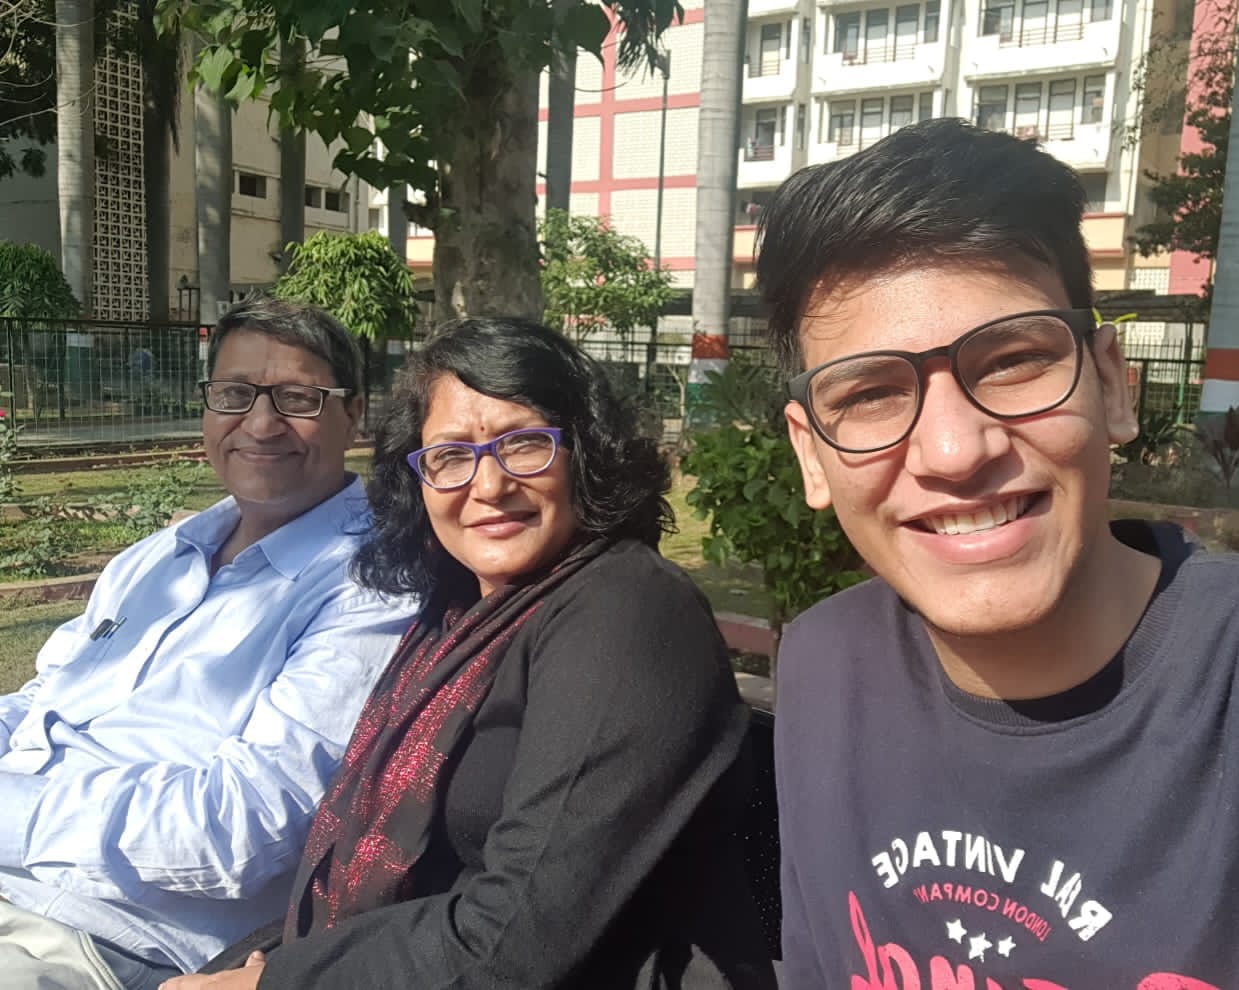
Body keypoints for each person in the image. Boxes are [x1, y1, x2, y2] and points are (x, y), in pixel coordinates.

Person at [757, 117, 1239, 988]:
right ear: (811, 455)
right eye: (872, 393)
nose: (954, 451)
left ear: (1111, 385)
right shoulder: (824, 664)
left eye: (1011, 362)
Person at [161, 316, 777, 990]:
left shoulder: (626, 611)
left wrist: (276, 982)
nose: (489, 486)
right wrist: (258, 963)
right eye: (451, 456)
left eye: (524, 445)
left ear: (584, 452)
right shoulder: (454, 616)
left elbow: (521, 936)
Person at [0, 299, 418, 990]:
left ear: (355, 415)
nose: (260, 424)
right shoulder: (158, 558)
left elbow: (238, 832)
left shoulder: (371, 589)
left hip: (96, 936)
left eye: (297, 398)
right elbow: (48, 696)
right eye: (233, 394)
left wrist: (15, 810)